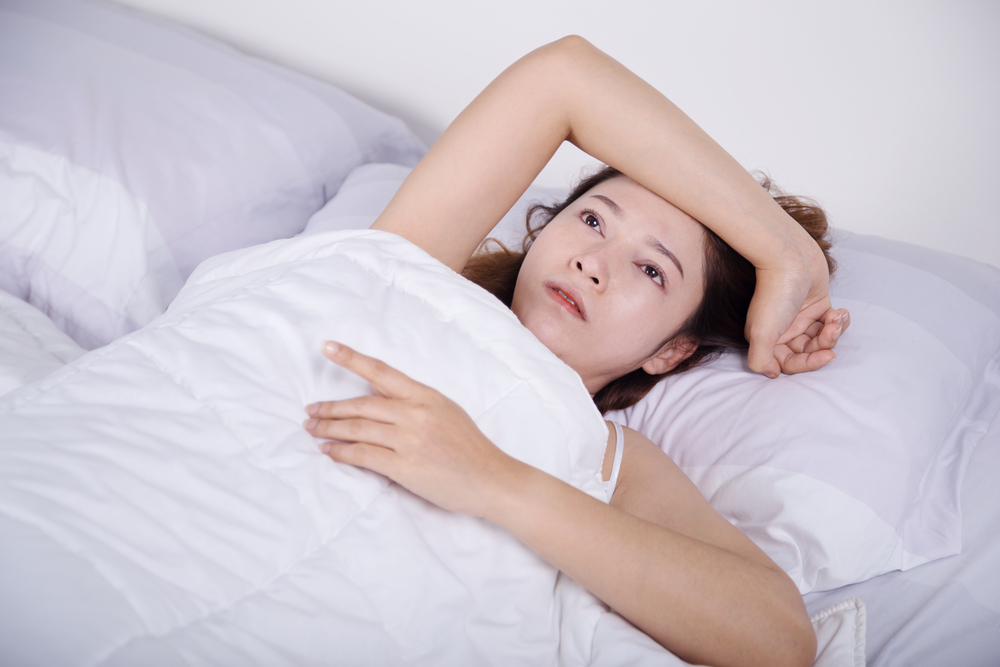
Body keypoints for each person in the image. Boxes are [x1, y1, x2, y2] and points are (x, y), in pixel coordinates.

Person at [301, 36, 849, 667]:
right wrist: (789, 257)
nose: (593, 262)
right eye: (593, 221)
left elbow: (780, 641)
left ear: (672, 350)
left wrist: (490, 479)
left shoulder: (604, 455)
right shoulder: (408, 270)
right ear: (543, 229)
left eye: (650, 270)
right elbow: (563, 74)